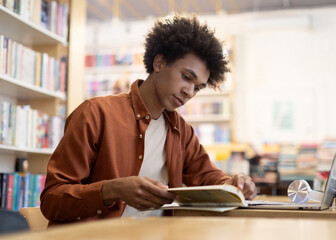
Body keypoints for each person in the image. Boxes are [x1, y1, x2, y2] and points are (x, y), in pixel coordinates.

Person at [40, 14, 257, 226]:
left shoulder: (182, 131)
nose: (190, 92)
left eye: (198, 87)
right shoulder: (96, 113)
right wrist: (112, 190)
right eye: (187, 77)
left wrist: (236, 183)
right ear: (159, 63)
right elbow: (52, 200)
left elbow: (211, 178)